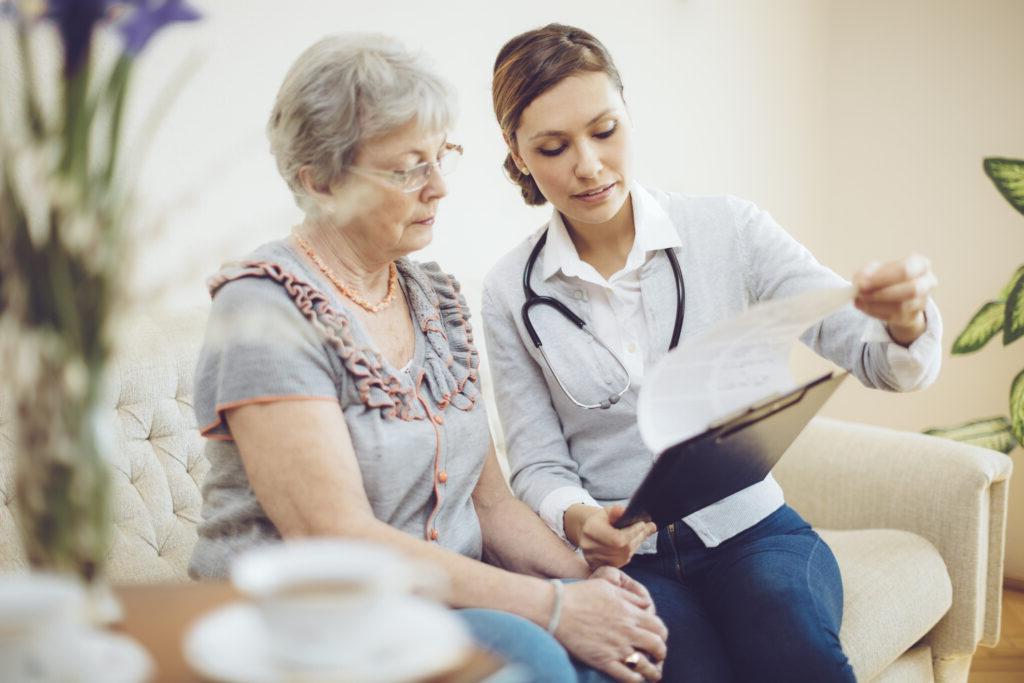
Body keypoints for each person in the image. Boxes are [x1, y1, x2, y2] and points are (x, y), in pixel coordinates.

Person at [188, 33, 668, 683]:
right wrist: (555, 607)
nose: (439, 187)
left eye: (441, 157)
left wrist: (590, 579)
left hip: (445, 599)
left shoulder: (432, 296)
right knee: (539, 660)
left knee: (641, 640)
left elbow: (491, 507)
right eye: (408, 167)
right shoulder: (264, 310)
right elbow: (339, 540)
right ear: (320, 182)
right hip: (317, 619)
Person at [482, 23, 942, 683]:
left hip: (756, 533)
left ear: (628, 114)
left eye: (605, 130)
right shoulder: (509, 292)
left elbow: (877, 359)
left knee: (794, 649)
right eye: (553, 147)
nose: (587, 164)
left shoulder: (730, 229)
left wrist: (904, 320)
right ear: (517, 152)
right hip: (630, 563)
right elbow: (535, 463)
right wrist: (579, 516)